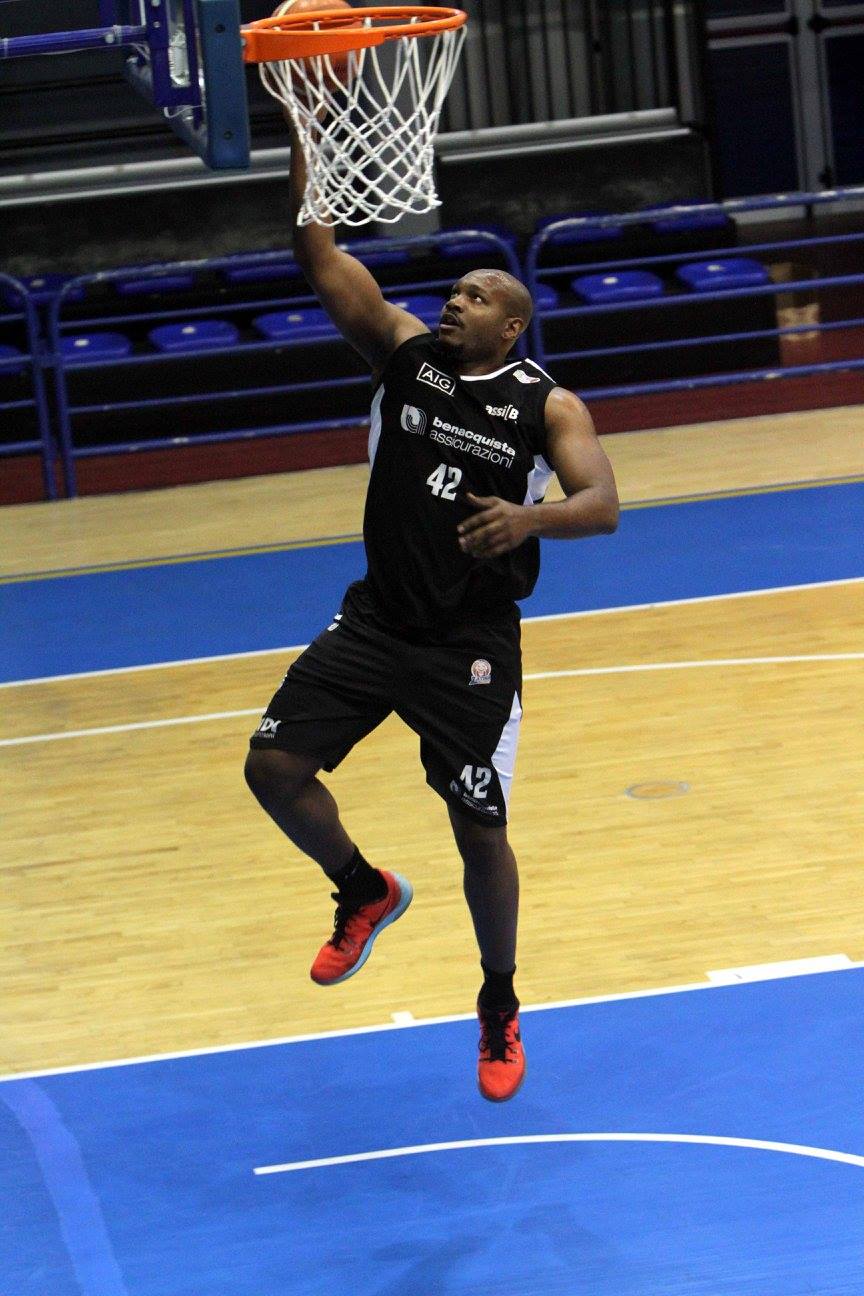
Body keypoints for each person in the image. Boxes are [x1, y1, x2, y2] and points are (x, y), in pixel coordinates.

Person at [244, 129, 620, 1103]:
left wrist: (529, 518)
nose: (457, 301)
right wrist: (306, 133)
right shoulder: (405, 357)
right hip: (379, 622)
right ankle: (364, 890)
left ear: (513, 328)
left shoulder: (548, 407)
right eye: (455, 290)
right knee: (273, 768)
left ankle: (498, 1000)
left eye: (479, 297)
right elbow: (318, 252)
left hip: (470, 646)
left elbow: (603, 504)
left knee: (479, 830)